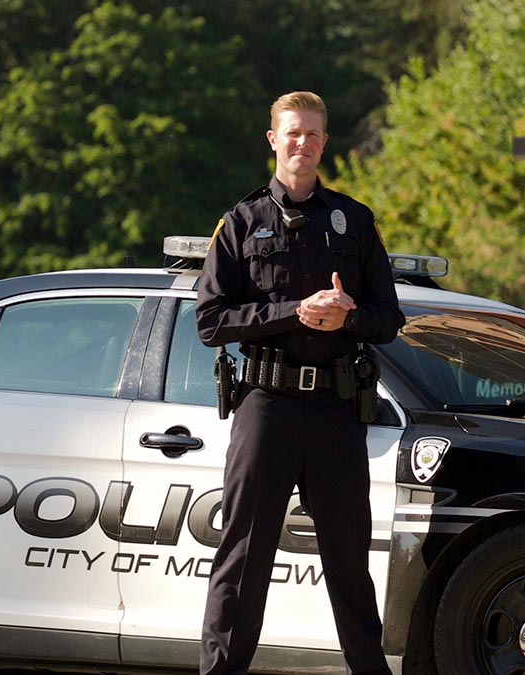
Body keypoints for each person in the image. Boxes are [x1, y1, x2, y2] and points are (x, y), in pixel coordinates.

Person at [195, 91, 404, 675]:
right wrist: (295, 312)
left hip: (337, 410)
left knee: (349, 562)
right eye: (292, 133)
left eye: (313, 134)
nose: (302, 144)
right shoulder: (241, 222)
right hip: (268, 407)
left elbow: (390, 320)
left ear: (324, 142)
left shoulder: (355, 221)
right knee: (244, 558)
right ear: (272, 139)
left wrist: (348, 317)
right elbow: (210, 321)